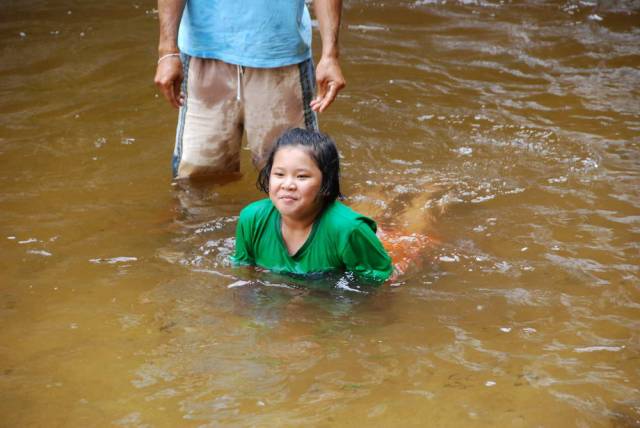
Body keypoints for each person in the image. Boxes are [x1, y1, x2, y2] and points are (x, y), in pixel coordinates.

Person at [153, 0, 346, 180]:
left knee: (297, 173)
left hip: (281, 54)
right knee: (195, 180)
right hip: (203, 53)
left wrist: (330, 55)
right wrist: (167, 51)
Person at [231, 129, 439, 284]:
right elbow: (244, 274)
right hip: (340, 239)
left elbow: (381, 285)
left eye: (302, 176)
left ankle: (433, 188)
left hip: (386, 253)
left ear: (326, 182)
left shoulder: (349, 230)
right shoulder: (252, 218)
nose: (288, 185)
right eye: (279, 174)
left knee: (415, 228)